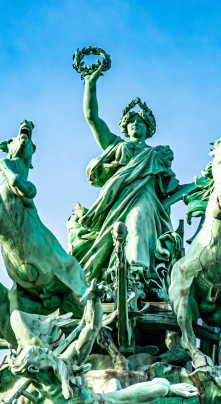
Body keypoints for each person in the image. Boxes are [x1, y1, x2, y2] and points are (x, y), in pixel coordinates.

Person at [68, 64, 179, 284]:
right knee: (114, 237)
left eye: (140, 122)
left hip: (145, 199)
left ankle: (135, 274)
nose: (135, 124)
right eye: (131, 122)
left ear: (148, 128)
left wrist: (202, 185)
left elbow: (169, 191)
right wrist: (90, 84)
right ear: (125, 128)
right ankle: (119, 276)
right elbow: (92, 117)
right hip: (115, 203)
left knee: (136, 223)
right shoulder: (117, 147)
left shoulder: (157, 155)